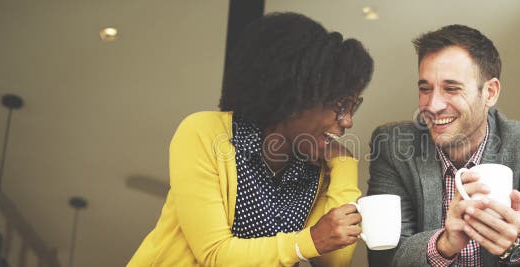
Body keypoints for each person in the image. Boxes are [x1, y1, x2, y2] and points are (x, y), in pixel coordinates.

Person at [128, 12, 373, 266]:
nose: (348, 121)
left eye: (353, 106)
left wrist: (344, 164)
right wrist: (308, 241)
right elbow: (214, 254)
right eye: (341, 105)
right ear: (295, 98)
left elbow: (332, 262)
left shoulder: (317, 167)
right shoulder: (205, 133)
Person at [367, 24, 520, 266]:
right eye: (425, 89)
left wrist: (515, 245)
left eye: (451, 89)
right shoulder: (393, 145)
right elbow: (384, 257)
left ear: (490, 92)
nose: (433, 105)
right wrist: (443, 245)